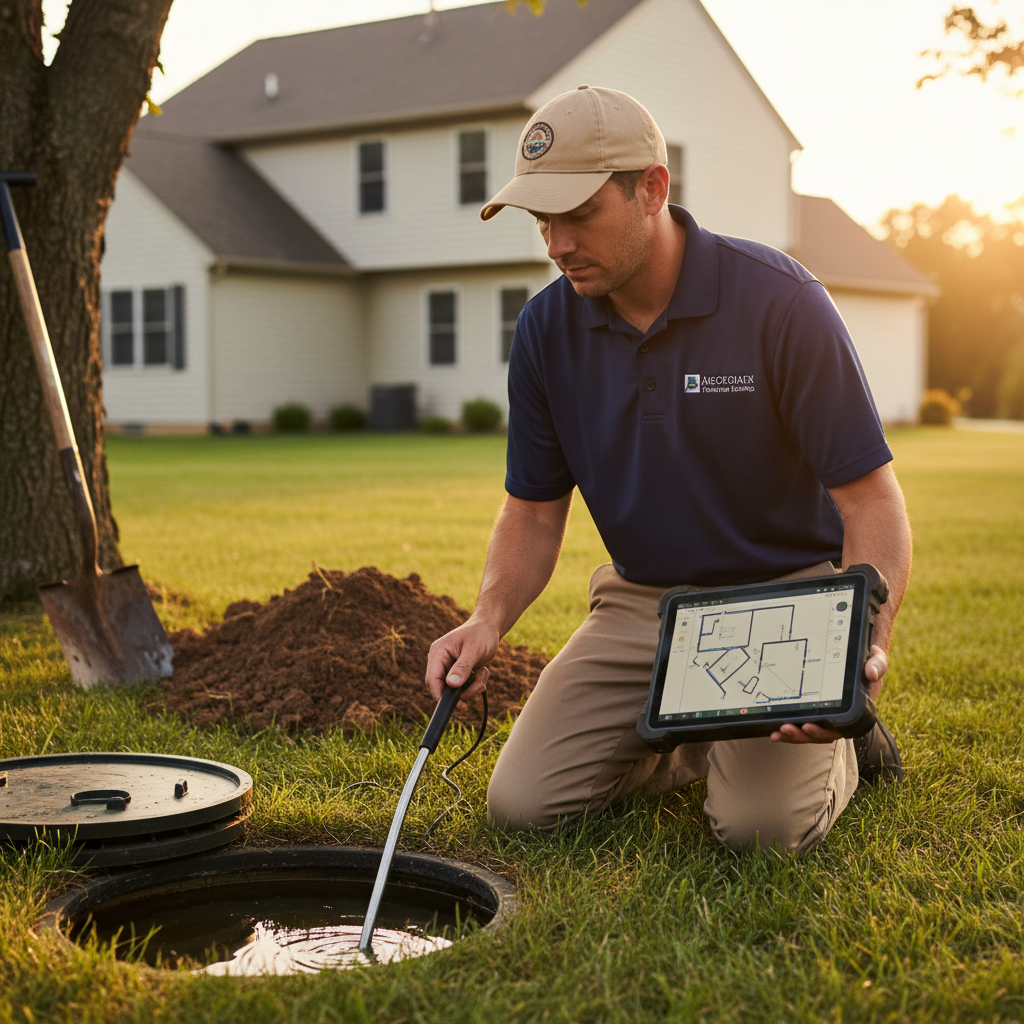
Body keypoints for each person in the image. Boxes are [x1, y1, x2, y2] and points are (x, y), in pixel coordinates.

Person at [425, 86, 912, 852]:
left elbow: (870, 500)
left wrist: (863, 646)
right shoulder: (546, 330)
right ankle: (696, 735)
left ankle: (848, 740)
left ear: (653, 187)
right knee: (522, 807)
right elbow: (532, 510)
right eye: (541, 221)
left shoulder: (781, 302)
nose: (556, 244)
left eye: (579, 215)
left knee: (755, 832)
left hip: (780, 602)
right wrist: (486, 620)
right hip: (641, 606)